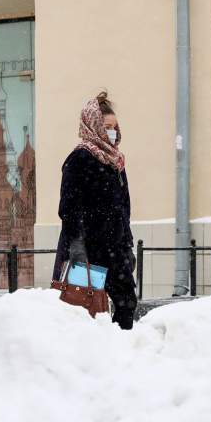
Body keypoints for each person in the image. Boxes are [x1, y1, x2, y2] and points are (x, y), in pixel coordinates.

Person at [52, 91, 137, 329]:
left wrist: (128, 245)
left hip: (115, 247)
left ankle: (121, 353)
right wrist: (77, 245)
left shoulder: (116, 162)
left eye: (114, 126)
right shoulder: (79, 159)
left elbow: (124, 208)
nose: (112, 131)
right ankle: (88, 358)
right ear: (94, 125)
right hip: (89, 248)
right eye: (107, 126)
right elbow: (69, 207)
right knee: (85, 308)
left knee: (127, 303)